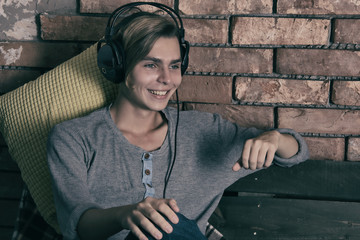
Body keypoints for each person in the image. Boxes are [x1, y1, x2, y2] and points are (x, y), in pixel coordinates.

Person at [46, 3, 309, 240]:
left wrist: (275, 139)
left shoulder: (202, 131)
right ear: (117, 66)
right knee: (159, 227)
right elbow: (78, 223)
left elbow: (296, 152)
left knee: (168, 228)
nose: (167, 79)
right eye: (151, 65)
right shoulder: (73, 137)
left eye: (174, 66)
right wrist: (124, 215)